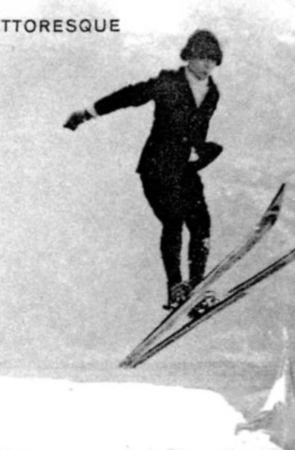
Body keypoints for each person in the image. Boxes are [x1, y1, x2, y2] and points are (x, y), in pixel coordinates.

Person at [64, 30, 225, 310]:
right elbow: (129, 95)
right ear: (188, 57)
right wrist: (87, 113)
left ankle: (197, 287)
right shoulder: (168, 83)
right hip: (157, 168)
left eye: (213, 59)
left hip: (185, 169)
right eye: (201, 58)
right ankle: (176, 287)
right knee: (173, 221)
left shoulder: (212, 92)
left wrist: (202, 150)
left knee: (201, 224)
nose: (207, 64)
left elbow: (197, 131)